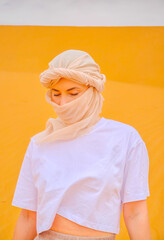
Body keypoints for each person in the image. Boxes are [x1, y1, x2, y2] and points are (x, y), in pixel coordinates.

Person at [12, 49, 151, 240]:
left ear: (92, 91)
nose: (63, 103)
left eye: (73, 93)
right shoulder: (40, 142)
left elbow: (136, 212)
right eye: (56, 94)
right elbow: (28, 216)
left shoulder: (125, 138)